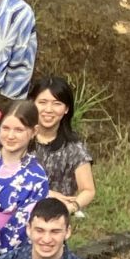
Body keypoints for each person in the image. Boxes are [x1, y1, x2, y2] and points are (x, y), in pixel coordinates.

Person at [0, 100, 52, 253]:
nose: (10, 136)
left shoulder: (37, 177)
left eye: (19, 130)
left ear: (34, 131)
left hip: (3, 248)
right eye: (6, 128)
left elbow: (21, 226)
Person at [30, 73, 95, 218]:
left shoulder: (74, 147)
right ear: (32, 103)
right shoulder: (20, 139)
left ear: (66, 109)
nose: (49, 109)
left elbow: (88, 190)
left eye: (57, 103)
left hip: (55, 216)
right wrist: (46, 193)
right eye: (42, 102)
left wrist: (71, 207)